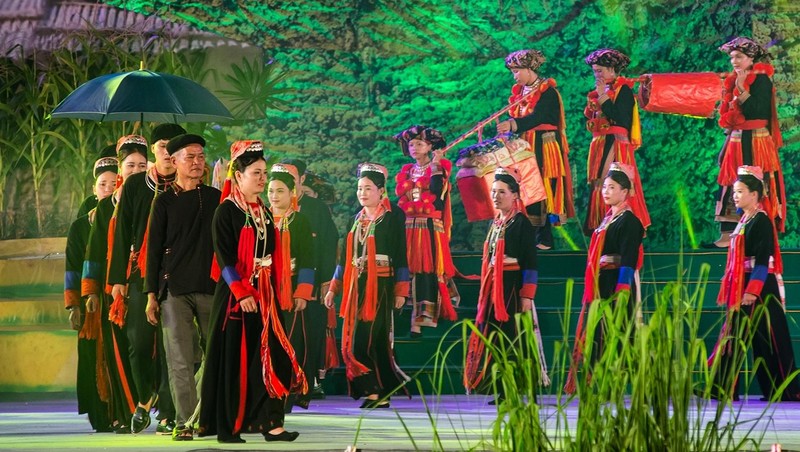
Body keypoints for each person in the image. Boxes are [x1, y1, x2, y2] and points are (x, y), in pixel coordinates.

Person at [199, 140, 305, 443]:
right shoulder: (226, 212)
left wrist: (269, 290)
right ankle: (229, 427)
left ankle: (272, 423)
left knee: (273, 355)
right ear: (239, 175)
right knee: (238, 361)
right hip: (237, 298)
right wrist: (242, 293)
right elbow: (224, 258)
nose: (262, 178)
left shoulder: (264, 213)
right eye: (256, 172)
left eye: (263, 172)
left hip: (265, 295)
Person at [108, 123, 184, 435]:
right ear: (153, 150)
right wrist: (117, 280)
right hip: (140, 273)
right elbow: (123, 230)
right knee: (137, 342)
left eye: (173, 148)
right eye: (163, 146)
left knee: (171, 345)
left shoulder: (188, 186)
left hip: (176, 274)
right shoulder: (136, 185)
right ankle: (144, 396)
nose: (167, 153)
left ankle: (167, 411)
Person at [144, 134, 220, 441]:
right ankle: (185, 421)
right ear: (173, 161)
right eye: (190, 157)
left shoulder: (216, 198)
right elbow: (153, 250)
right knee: (179, 357)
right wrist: (151, 295)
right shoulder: (163, 201)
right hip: (174, 290)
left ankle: (204, 414)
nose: (197, 162)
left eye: (201, 156)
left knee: (214, 355)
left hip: (211, 287)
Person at [708, 165, 800, 402]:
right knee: (735, 335)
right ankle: (722, 387)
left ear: (754, 194)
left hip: (759, 288)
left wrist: (752, 291)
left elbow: (762, 259)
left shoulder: (761, 220)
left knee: (769, 338)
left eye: (739, 191)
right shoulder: (744, 221)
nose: (735, 196)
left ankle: (783, 390)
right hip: (744, 285)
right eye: (734, 191)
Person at [324, 163, 410, 408]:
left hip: (382, 285)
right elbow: (344, 259)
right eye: (359, 188)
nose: (362, 193)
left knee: (370, 340)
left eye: (368, 188)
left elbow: (401, 254)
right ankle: (378, 392)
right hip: (357, 287)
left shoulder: (392, 217)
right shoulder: (356, 220)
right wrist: (333, 288)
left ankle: (376, 392)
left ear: (381, 191)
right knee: (356, 340)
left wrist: (401, 290)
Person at [81, 135, 149, 433]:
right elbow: (94, 253)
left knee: (142, 348)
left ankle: (148, 404)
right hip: (113, 291)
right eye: (131, 165)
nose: (136, 170)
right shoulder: (106, 207)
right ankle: (127, 412)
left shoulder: (156, 200)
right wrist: (90, 291)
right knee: (119, 352)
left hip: (145, 284)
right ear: (121, 169)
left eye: (142, 165)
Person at [463, 167, 546, 402]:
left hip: (512, 289)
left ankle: (527, 388)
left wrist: (527, 295)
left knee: (516, 338)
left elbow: (530, 262)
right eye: (493, 191)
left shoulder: (521, 224)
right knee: (497, 339)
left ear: (515, 195)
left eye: (502, 192)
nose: (496, 196)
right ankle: (503, 389)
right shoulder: (497, 223)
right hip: (494, 290)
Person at [564, 162, 645, 394]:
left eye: (611, 187)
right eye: (604, 188)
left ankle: (626, 384)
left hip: (616, 284)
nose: (606, 192)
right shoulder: (608, 219)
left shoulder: (629, 221)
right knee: (599, 333)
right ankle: (599, 384)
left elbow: (629, 259)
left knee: (618, 334)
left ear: (625, 191)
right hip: (601, 283)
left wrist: (622, 290)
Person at [708, 37, 785, 248]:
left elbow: (757, 112)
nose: (734, 60)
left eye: (739, 56)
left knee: (756, 183)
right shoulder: (733, 79)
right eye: (732, 57)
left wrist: (742, 90)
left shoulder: (761, 79)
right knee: (730, 183)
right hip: (735, 140)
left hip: (756, 140)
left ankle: (757, 231)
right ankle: (727, 236)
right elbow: (730, 116)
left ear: (751, 58)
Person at [496, 49, 576, 249]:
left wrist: (514, 125)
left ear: (530, 68)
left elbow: (537, 118)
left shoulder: (547, 91)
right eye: (513, 72)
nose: (515, 76)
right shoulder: (522, 92)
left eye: (517, 71)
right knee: (525, 187)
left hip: (544, 144)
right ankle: (527, 235)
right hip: (526, 145)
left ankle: (544, 238)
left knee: (542, 185)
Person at [64, 144, 117, 432]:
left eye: (113, 183)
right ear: (94, 188)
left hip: (118, 297)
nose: (108, 189)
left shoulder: (127, 219)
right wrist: (73, 303)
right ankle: (100, 414)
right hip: (91, 305)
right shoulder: (80, 226)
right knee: (93, 358)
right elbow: (72, 267)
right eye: (102, 184)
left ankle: (122, 412)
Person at [393, 125, 459, 335]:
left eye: (419, 144)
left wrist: (437, 163)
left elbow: (437, 191)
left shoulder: (438, 167)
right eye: (411, 144)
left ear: (430, 146)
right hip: (408, 225)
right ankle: (408, 313)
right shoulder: (408, 171)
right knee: (408, 266)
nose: (414, 148)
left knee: (427, 267)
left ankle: (426, 314)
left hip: (429, 226)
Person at [282, 158, 339, 399]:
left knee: (310, 333)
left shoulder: (316, 209)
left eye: (291, 179)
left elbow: (328, 245)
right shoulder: (271, 206)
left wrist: (327, 280)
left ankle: (305, 383)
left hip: (312, 281)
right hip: (281, 283)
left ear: (301, 180)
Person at [582, 48, 650, 235]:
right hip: (600, 143)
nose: (597, 75)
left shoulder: (624, 90)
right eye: (595, 71)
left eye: (600, 71)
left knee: (614, 182)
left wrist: (603, 96)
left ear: (612, 69)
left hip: (616, 144)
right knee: (599, 183)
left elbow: (620, 118)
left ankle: (621, 224)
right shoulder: (599, 92)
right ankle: (601, 223)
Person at [267, 162, 316, 410]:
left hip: (290, 290)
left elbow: (308, 260)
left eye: (280, 191)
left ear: (291, 193)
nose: (274, 197)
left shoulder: (300, 221)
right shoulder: (260, 219)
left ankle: (287, 394)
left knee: (288, 342)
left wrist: (303, 293)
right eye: (271, 191)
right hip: (265, 290)